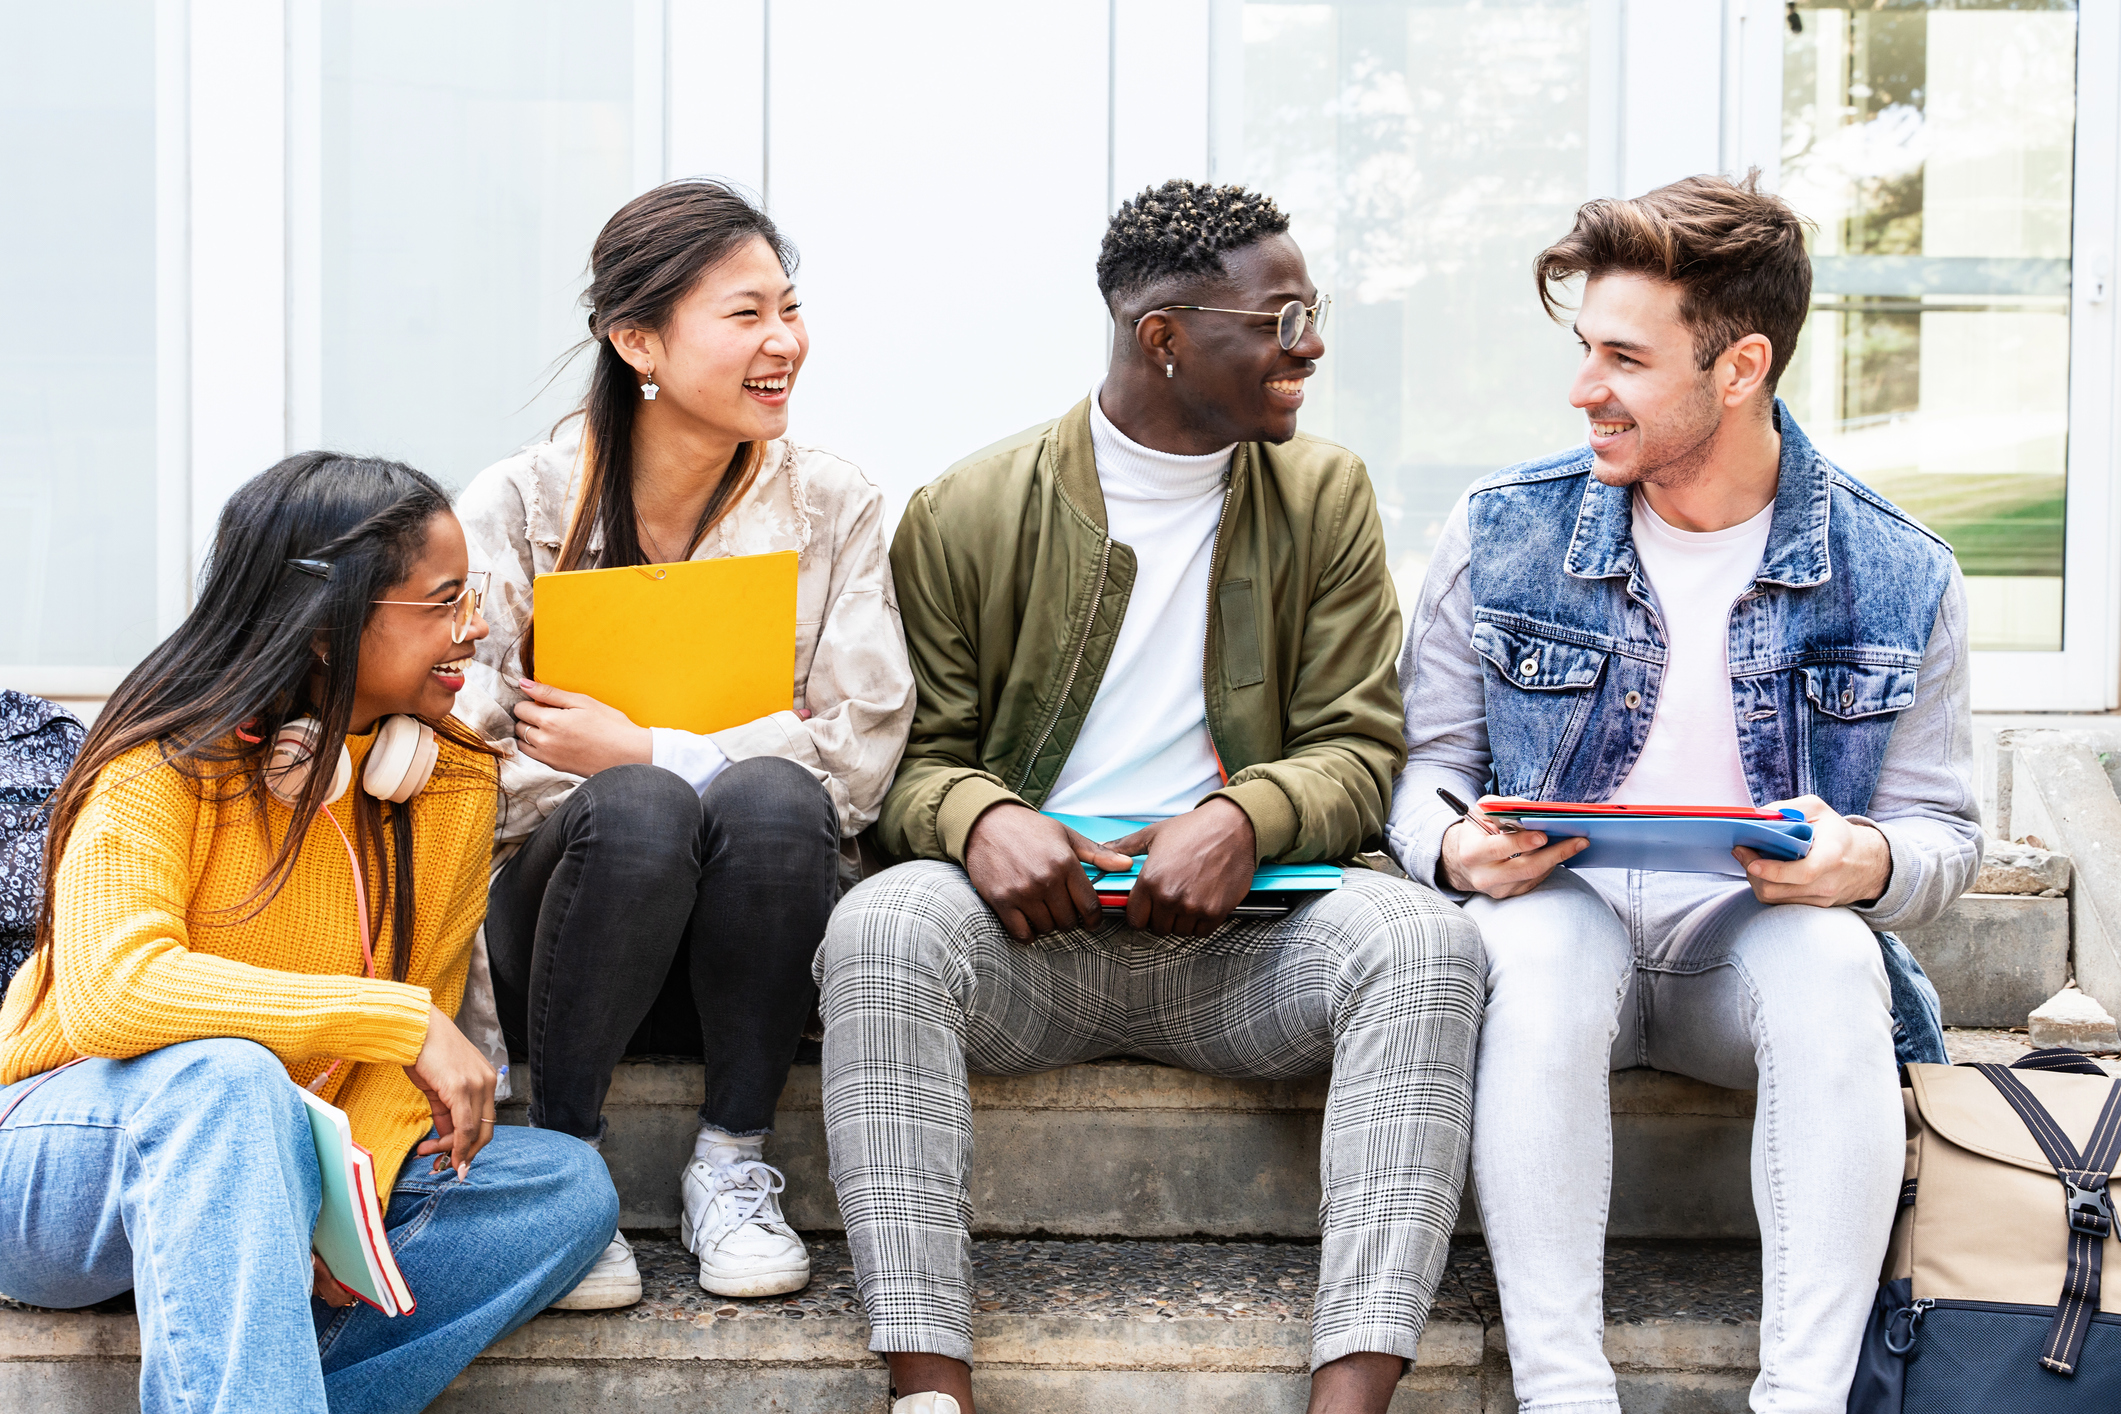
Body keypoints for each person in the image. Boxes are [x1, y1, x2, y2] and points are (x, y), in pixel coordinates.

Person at [816, 179, 1485, 1414]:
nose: (1313, 346)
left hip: (1251, 949)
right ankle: (926, 1390)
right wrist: (980, 817)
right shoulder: (967, 511)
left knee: (1425, 946)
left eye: (1312, 314)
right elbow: (901, 766)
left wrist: (1242, 820)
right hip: (1036, 948)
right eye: (1281, 322)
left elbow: (1356, 744)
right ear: (1164, 339)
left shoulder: (1323, 496)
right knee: (883, 926)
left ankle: (1353, 1396)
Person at [1390, 173, 1977, 1413]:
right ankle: (1565, 1393)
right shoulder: (1504, 529)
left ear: (1739, 366)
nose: (1583, 387)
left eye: (1622, 357)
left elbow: (1942, 833)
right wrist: (1453, 851)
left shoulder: (1899, 569)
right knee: (1542, 949)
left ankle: (1802, 1400)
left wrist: (1861, 861)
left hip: (1741, 961)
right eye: (1583, 348)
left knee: (1833, 960)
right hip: (1558, 930)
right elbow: (1426, 768)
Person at [0, 454, 617, 1414]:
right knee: (227, 1079)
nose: (479, 628)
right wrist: (395, 1020)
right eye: (445, 602)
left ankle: (256, 1375)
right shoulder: (157, 762)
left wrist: (349, 1211)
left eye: (475, 597)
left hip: (277, 1172)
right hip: (64, 1159)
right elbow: (112, 992)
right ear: (330, 627)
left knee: (565, 1186)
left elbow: (404, 1039)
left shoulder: (444, 779)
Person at [455, 177, 916, 1309]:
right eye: (745, 313)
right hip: (562, 940)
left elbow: (858, 743)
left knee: (763, 795)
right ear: (638, 341)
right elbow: (460, 723)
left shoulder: (835, 504)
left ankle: (732, 1160)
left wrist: (646, 744)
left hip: (756, 939)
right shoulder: (521, 504)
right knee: (643, 811)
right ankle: (564, 1170)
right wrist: (644, 776)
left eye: (789, 308)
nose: (784, 342)